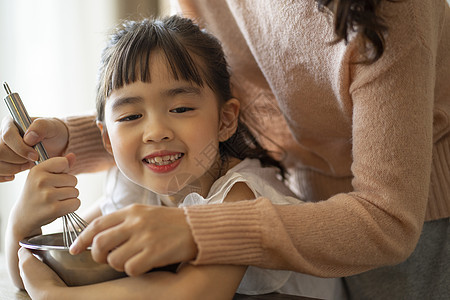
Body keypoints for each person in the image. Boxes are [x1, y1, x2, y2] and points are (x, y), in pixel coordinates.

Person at [1, 0, 449, 298]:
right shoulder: (133, 188)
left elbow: (190, 295)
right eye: (131, 117)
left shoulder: (240, 194)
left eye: (179, 109)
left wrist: (53, 296)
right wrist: (22, 217)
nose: (155, 131)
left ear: (226, 120)